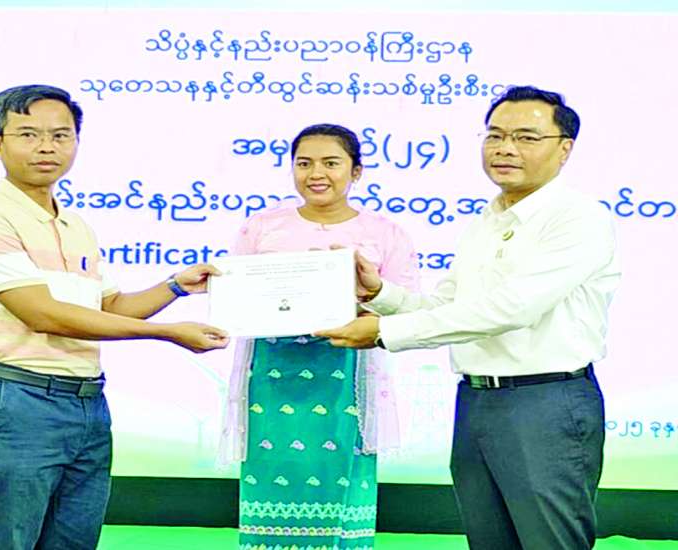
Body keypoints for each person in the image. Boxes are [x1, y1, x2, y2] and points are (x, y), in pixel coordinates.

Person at [316, 86, 621, 549]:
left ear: (564, 149)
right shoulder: (487, 220)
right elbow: (451, 306)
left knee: (549, 541)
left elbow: (510, 309)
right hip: (477, 401)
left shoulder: (578, 218)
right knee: (488, 540)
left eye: (525, 137)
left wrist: (384, 332)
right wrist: (379, 295)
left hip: (545, 401)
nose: (505, 148)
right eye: (495, 135)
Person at [0, 84, 229, 550]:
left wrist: (177, 285)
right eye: (29, 135)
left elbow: (109, 307)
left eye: (60, 135)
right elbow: (43, 314)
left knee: (73, 541)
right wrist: (165, 333)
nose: (46, 147)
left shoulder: (75, 224)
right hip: (15, 397)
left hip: (85, 402)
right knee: (7, 541)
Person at [218, 124, 419, 550]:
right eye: (304, 163)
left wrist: (360, 299)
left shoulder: (385, 233)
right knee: (272, 463)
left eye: (331, 163)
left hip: (349, 370)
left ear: (356, 171)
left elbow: (408, 306)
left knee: (342, 468)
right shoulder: (262, 227)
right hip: (272, 372)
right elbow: (235, 295)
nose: (316, 174)